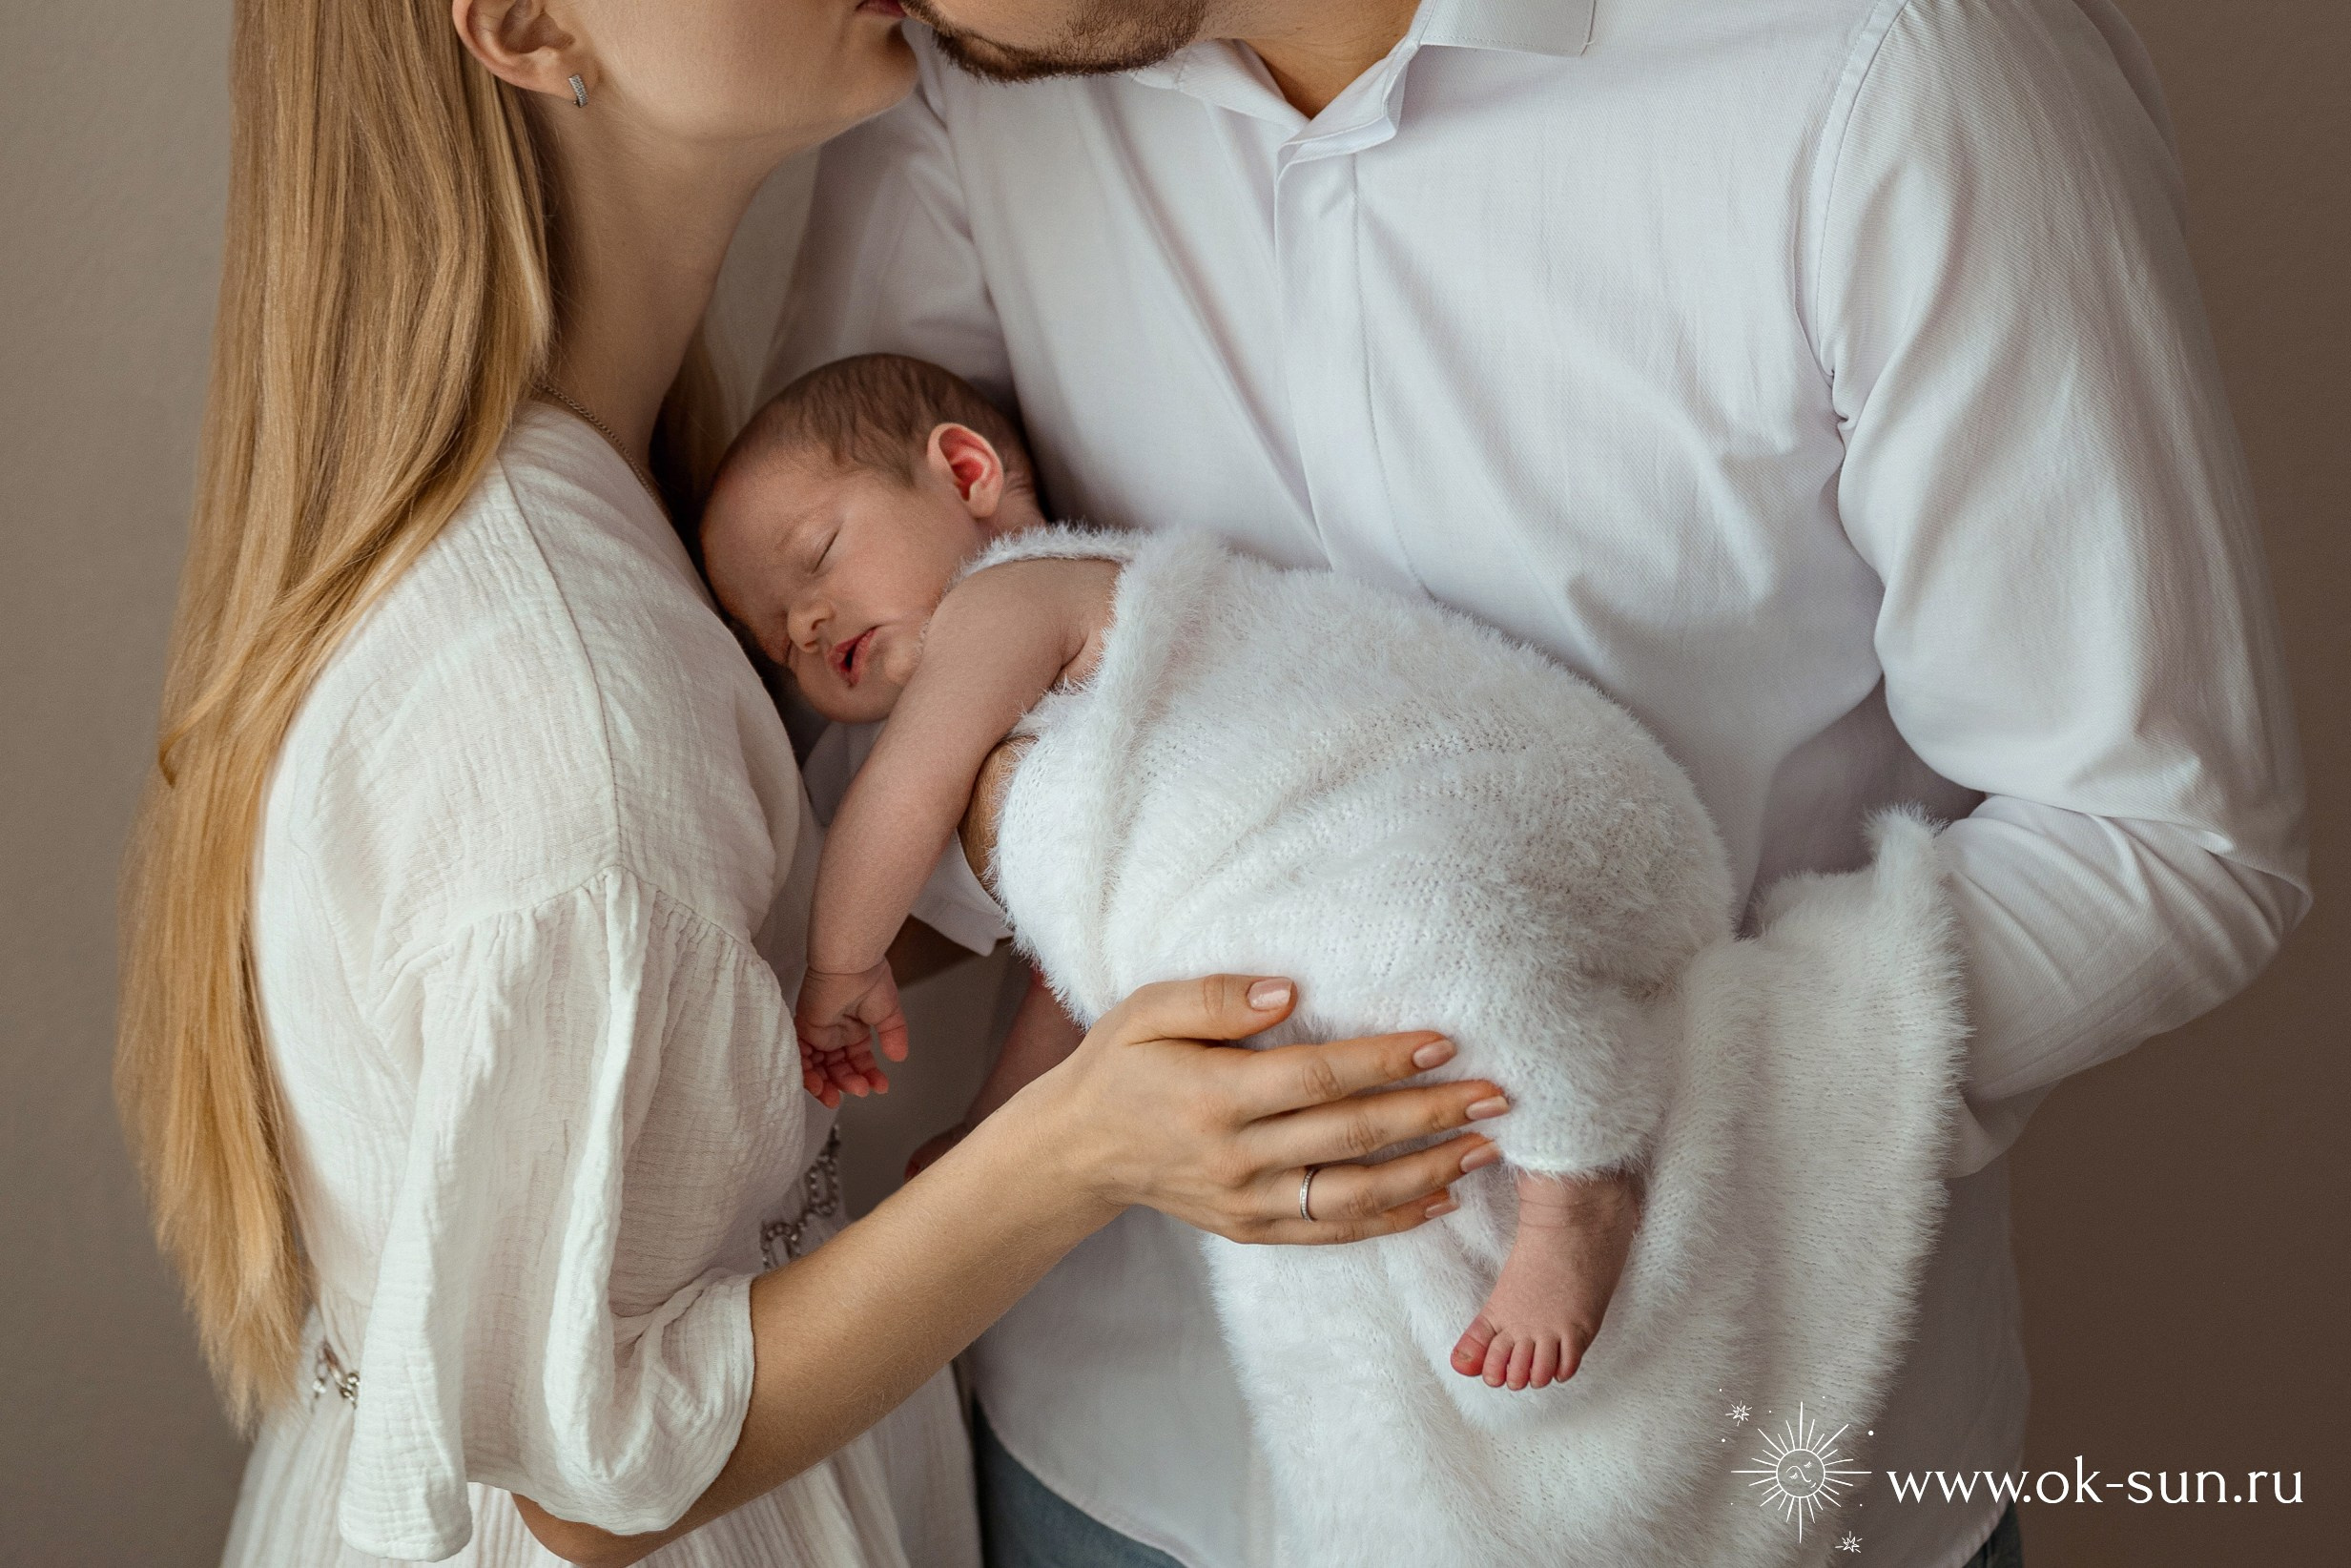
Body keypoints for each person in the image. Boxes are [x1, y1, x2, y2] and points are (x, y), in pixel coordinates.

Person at [767, 2, 2310, 1565]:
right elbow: (856, 694)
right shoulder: (983, 64)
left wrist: (1596, 1099)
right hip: (1122, 1460)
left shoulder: (1893, 59)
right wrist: (1075, 929)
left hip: (1730, 1480)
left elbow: (2162, 836)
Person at [113, 3, 1506, 1565]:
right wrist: (1079, 1146)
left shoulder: (624, 501)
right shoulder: (568, 694)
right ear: (524, 27)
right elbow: (586, 1478)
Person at [701, 352, 1698, 1393]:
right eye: (777, 640)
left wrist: (840, 963)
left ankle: (1579, 1173)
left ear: (964, 473)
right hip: (1286, 868)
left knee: (1433, 911)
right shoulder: (1054, 740)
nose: (804, 625)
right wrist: (996, 1128)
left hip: (1396, 781)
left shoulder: (1006, 600)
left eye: (815, 556)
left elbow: (904, 791)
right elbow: (1085, 966)